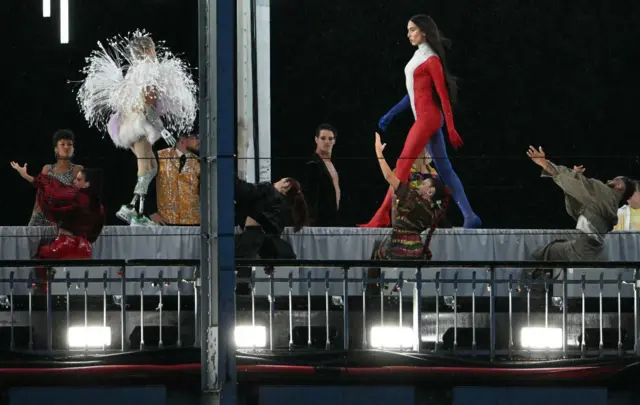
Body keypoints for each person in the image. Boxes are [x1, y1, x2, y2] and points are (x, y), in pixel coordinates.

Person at [361, 15, 477, 228]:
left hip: (428, 118)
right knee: (444, 168)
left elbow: (443, 95)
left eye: (412, 30)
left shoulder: (431, 59)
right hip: (428, 118)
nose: (409, 34)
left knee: (402, 165)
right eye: (408, 30)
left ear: (424, 31)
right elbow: (412, 95)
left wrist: (451, 127)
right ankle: (470, 215)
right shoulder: (418, 57)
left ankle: (382, 215)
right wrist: (391, 114)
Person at [76, 30, 197, 226]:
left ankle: (134, 209)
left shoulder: (135, 74)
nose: (155, 53)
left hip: (129, 127)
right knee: (145, 169)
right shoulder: (147, 74)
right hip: (138, 128)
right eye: (153, 49)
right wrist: (163, 130)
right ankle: (134, 212)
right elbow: (147, 109)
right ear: (148, 50)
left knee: (151, 169)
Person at [526, 146, 635, 261]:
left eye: (614, 179)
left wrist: (545, 164)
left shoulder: (604, 192)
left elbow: (575, 185)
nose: (608, 180)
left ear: (620, 186)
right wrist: (574, 177)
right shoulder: (609, 205)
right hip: (594, 253)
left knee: (540, 254)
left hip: (580, 251)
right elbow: (575, 208)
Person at [234, 176, 310, 294]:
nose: (277, 180)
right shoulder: (284, 207)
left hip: (252, 237)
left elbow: (246, 191)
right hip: (266, 244)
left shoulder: (268, 191)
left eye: (281, 180)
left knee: (243, 266)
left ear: (286, 185)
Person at [29, 129, 84, 226]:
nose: (66, 147)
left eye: (69, 144)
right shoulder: (47, 168)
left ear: (73, 148)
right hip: (44, 219)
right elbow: (39, 198)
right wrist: (33, 221)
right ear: (56, 149)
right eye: (62, 144)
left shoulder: (77, 169)